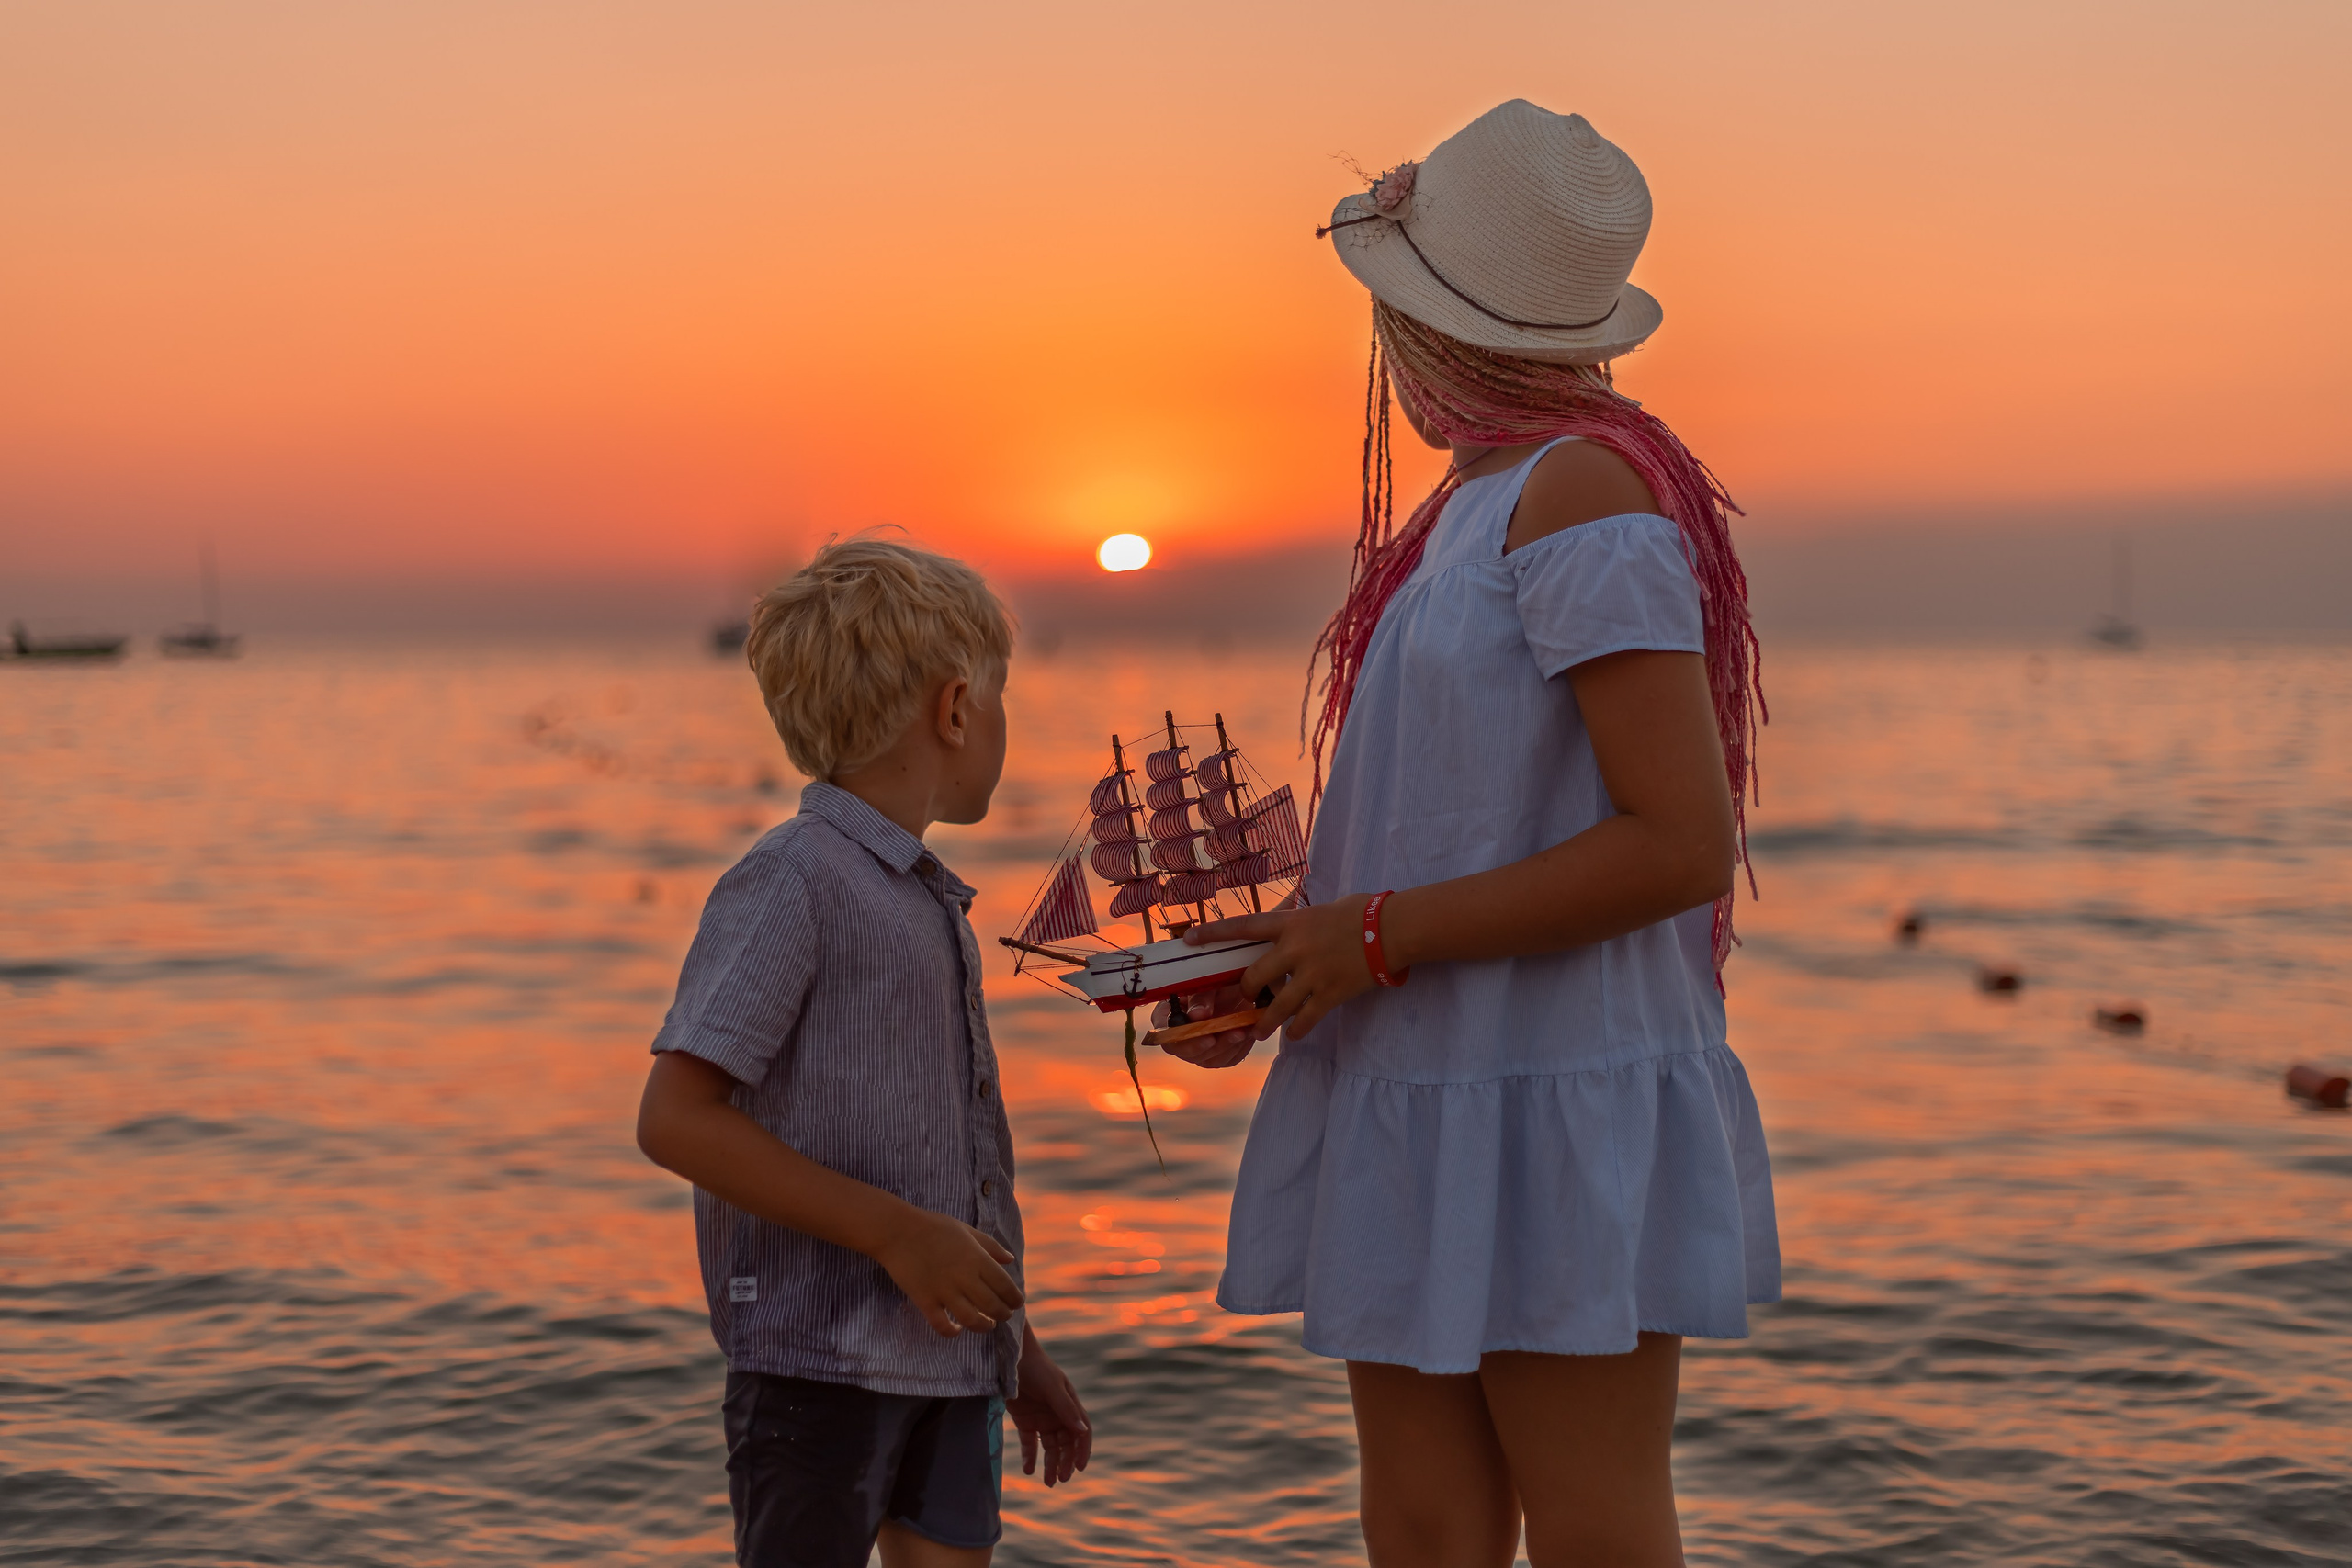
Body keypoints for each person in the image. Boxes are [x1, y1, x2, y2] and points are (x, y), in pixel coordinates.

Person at [1160, 101, 1780, 1567]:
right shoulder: (1468, 502)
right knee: (1424, 1520)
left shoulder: (1583, 488)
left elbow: (1679, 840)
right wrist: (1287, 960)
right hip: (1424, 1063)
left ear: (1426, 322)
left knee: (1592, 1523)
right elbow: (1447, 807)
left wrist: (1373, 938)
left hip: (1547, 1072)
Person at [635, 537, 1091, 1568]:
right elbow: (675, 1118)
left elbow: (950, 1167)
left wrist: (1015, 1349)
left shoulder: (925, 901)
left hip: (952, 1366)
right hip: (818, 1365)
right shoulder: (794, 879)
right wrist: (895, 1235)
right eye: (1002, 697)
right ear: (956, 709)